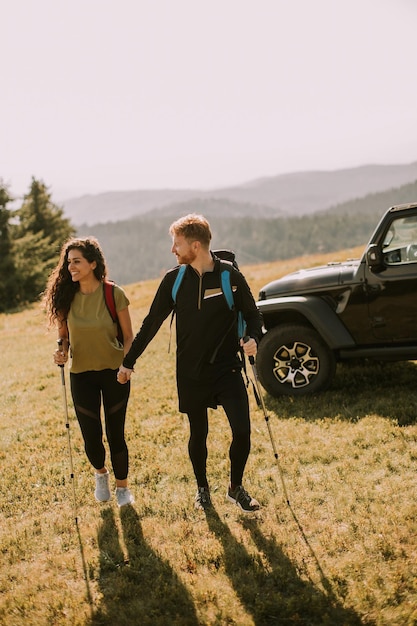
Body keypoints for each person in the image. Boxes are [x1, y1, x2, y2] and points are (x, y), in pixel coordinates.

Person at [118, 214, 263, 513]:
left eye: (177, 244)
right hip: (191, 372)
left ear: (195, 246)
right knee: (198, 433)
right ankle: (202, 489)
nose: (173, 250)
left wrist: (253, 339)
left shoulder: (229, 276)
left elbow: (253, 314)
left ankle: (235, 488)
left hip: (227, 368)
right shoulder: (175, 280)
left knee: (243, 432)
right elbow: (151, 323)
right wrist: (128, 362)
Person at [44, 236, 135, 507]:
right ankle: (100, 474)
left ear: (93, 264)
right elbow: (64, 337)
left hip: (114, 373)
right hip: (81, 375)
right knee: (91, 435)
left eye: (77, 261)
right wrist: (61, 350)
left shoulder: (113, 293)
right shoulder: (65, 298)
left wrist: (127, 365)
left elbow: (129, 336)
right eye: (68, 262)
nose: (71, 267)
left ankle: (122, 488)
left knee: (115, 432)